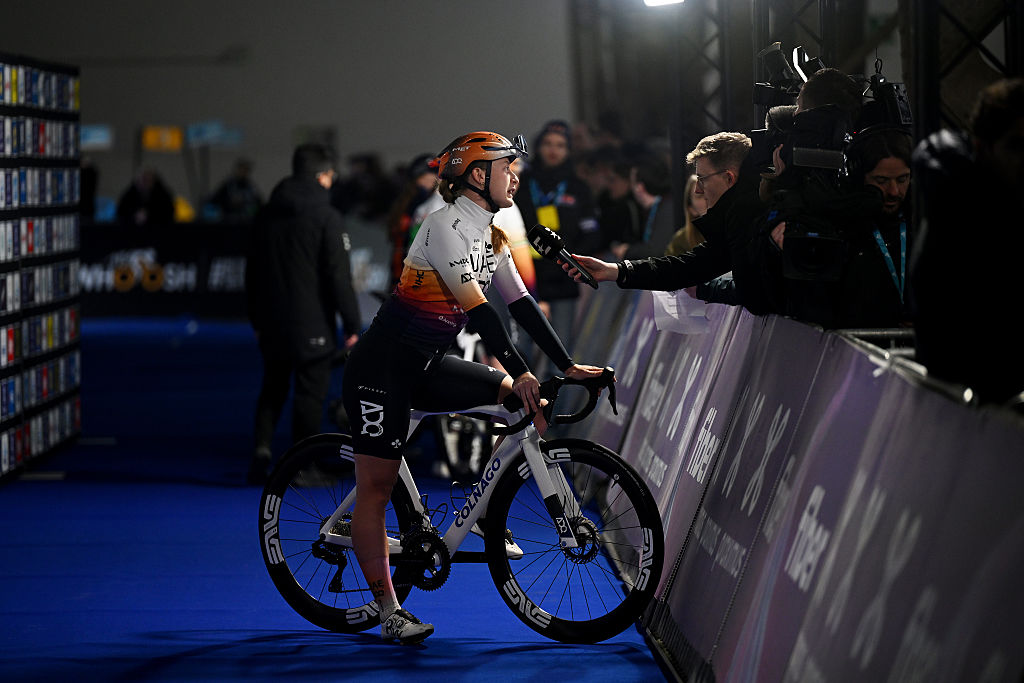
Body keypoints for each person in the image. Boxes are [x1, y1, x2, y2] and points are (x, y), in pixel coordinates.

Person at [341, 131, 604, 644]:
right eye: (508, 166)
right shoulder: (442, 227)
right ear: (478, 175)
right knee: (375, 488)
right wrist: (523, 368)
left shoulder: (495, 233)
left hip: (429, 364)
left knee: (517, 404)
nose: (517, 174)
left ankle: (481, 514)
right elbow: (483, 312)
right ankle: (390, 611)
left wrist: (567, 365)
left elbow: (521, 305)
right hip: (383, 370)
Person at [245, 143, 361, 485]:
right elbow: (338, 277)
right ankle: (303, 466)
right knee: (309, 393)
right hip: (312, 322)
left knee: (273, 387)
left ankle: (261, 452)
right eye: (330, 176)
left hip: (271, 320)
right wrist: (352, 325)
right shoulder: (326, 216)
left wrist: (255, 319)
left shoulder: (266, 213)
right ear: (321, 175)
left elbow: (252, 271)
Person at [560, 132, 771, 315]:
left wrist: (706, 289)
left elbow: (755, 293)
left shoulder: (756, 220)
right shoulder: (738, 218)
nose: (698, 190)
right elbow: (685, 267)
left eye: (703, 179)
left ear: (728, 178)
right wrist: (614, 271)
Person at [910, 77, 1024, 405]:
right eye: (1017, 145)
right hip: (975, 412)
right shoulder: (964, 211)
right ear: (982, 147)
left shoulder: (962, 197)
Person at [765, 126, 915, 328]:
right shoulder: (840, 225)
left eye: (902, 179)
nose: (894, 191)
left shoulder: (922, 222)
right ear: (857, 176)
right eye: (881, 181)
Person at [513, 120, 602, 373]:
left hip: (563, 279)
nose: (554, 150)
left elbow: (592, 233)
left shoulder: (578, 188)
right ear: (539, 146)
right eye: (548, 144)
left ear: (569, 150)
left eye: (561, 145)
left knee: (562, 359)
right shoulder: (520, 184)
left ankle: (551, 413)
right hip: (524, 280)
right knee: (521, 356)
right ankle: (524, 411)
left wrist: (572, 262)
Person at [612, 153, 676, 260]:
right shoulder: (659, 207)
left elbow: (658, 251)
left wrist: (628, 251)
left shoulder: (667, 209)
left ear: (639, 188)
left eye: (632, 183)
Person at [205, 158, 263, 223]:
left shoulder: (250, 187)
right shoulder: (228, 186)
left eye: (246, 170)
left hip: (246, 219)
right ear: (237, 170)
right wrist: (230, 201)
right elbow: (215, 200)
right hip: (229, 219)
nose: (244, 173)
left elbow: (258, 201)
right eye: (242, 169)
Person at [665, 173, 708, 256]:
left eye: (709, 192)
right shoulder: (680, 242)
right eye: (699, 196)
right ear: (691, 209)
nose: (707, 197)